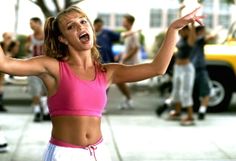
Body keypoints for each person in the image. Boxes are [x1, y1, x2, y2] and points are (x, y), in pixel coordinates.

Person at [0, 6, 203, 160]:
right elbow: (5, 63)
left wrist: (174, 29)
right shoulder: (52, 67)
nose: (80, 26)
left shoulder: (108, 72)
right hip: (65, 154)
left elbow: (156, 68)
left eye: (83, 21)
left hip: (99, 153)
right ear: (63, 39)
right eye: (71, 26)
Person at [167, 23, 197, 126]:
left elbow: (192, 33)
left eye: (184, 30)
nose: (182, 31)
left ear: (188, 31)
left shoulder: (190, 40)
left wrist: (193, 23)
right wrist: (180, 10)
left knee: (185, 92)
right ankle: (177, 112)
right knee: (176, 91)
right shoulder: (180, 38)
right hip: (177, 68)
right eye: (182, 30)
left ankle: (190, 116)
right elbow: (177, 25)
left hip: (186, 69)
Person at [25, 17, 50, 122]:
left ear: (39, 24)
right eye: (30, 24)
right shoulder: (30, 38)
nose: (30, 26)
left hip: (45, 68)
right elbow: (27, 51)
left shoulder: (48, 36)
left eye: (32, 23)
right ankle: (36, 111)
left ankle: (45, 111)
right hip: (33, 68)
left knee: (45, 90)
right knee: (35, 90)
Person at [116, 14, 141, 110]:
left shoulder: (134, 34)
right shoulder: (128, 33)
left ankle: (129, 100)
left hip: (131, 63)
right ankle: (128, 99)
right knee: (119, 81)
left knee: (120, 80)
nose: (122, 22)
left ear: (129, 22)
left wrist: (125, 58)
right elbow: (128, 48)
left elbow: (135, 48)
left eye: (124, 21)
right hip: (126, 61)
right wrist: (120, 55)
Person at [191, 26, 215, 120]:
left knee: (190, 91)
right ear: (200, 32)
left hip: (191, 69)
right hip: (199, 69)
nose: (205, 33)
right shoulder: (199, 39)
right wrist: (217, 30)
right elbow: (211, 37)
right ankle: (202, 110)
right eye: (204, 31)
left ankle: (200, 110)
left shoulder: (190, 41)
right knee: (205, 91)